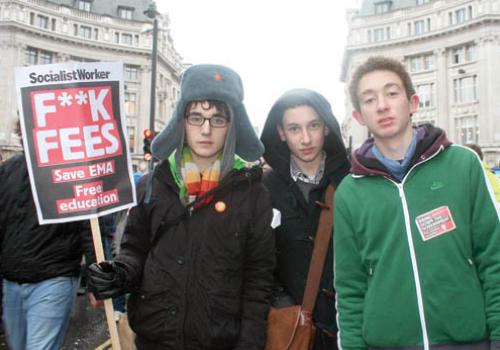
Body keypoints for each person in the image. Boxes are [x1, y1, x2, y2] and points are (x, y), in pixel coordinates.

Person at [87, 64, 276, 349]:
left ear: (232, 125)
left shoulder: (252, 192)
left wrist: (249, 344)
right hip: (154, 338)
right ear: (182, 121)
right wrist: (118, 273)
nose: (206, 130)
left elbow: (258, 278)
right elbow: (135, 249)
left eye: (218, 119)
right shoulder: (153, 183)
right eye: (196, 117)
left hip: (219, 342)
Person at [334, 56, 500, 350]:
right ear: (359, 116)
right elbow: (350, 287)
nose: (382, 105)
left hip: (468, 340)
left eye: (391, 93)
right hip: (388, 343)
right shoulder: (349, 192)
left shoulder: (463, 165)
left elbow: (493, 256)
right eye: (369, 99)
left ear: (412, 103)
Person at [260, 88, 350, 349]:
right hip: (291, 331)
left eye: (313, 125)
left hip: (349, 329)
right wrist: (283, 305)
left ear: (326, 128)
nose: (306, 138)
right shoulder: (263, 188)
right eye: (294, 129)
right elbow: (256, 260)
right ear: (281, 133)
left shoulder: (352, 182)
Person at [0, 123, 94, 350]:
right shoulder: (8, 170)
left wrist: (96, 278)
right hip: (11, 280)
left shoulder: (70, 171)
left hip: (53, 278)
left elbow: (88, 226)